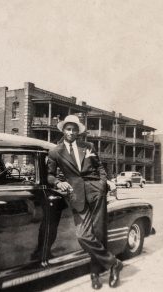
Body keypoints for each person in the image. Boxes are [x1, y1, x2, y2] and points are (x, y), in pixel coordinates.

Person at [47, 115, 123, 289]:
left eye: (74, 129)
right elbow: (49, 175)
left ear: (78, 131)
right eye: (68, 129)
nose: (71, 132)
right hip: (76, 196)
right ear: (63, 130)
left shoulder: (88, 146)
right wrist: (58, 182)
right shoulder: (55, 151)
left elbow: (100, 167)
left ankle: (95, 275)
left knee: (99, 234)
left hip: (96, 193)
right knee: (83, 236)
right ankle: (114, 264)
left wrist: (103, 184)